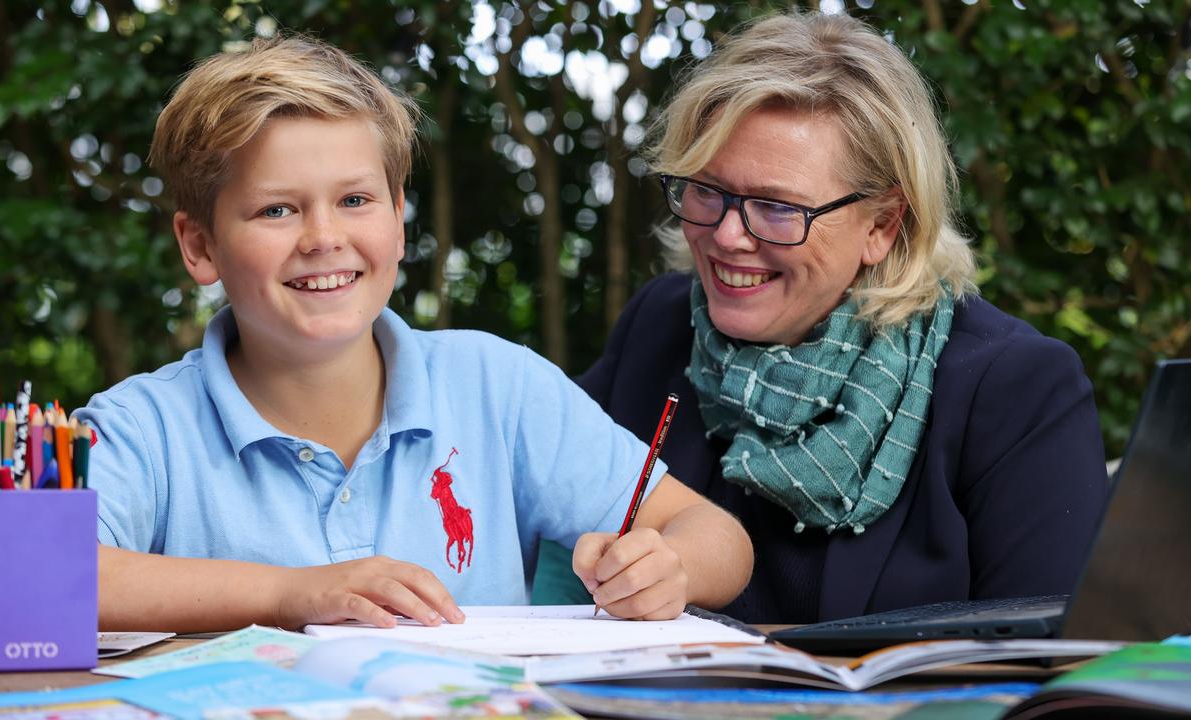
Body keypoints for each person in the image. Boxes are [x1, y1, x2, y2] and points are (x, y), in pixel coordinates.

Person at [77, 35, 753, 633]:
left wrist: (673, 568)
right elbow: (39, 578)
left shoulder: (498, 387)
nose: (323, 238)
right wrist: (289, 593)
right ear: (199, 246)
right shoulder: (142, 429)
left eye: (355, 200)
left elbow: (720, 538)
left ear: (399, 218)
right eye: (276, 209)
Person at [541, 11, 1108, 623]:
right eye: (707, 190)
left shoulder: (1015, 389)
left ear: (883, 226)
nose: (729, 235)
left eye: (777, 207)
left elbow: (1058, 661)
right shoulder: (660, 327)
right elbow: (515, 491)